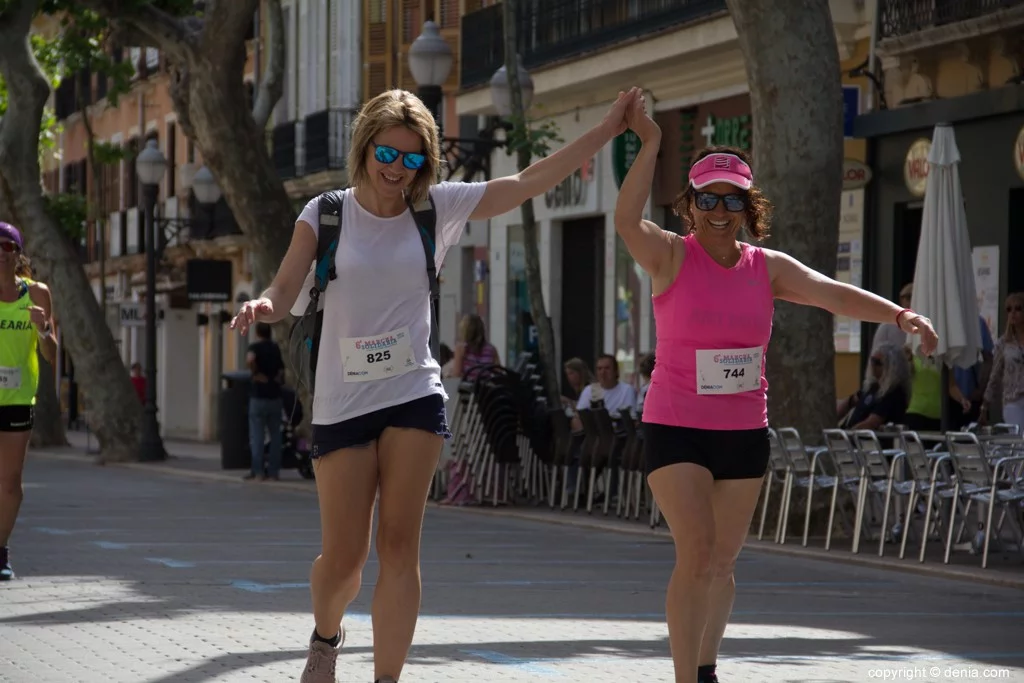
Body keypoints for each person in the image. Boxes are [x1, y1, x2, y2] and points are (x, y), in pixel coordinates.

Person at [230, 86, 638, 683]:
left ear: (427, 162)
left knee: (399, 549)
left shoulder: (436, 209)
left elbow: (525, 182)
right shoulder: (326, 214)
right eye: (388, 155)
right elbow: (286, 289)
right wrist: (261, 306)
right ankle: (326, 635)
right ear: (365, 147)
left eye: (413, 158)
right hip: (342, 401)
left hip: (413, 393)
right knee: (345, 563)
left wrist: (607, 130)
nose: (398, 170)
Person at [612, 94, 938, 683]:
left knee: (724, 562)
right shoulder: (669, 256)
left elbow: (832, 294)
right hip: (675, 426)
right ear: (691, 205)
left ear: (745, 205)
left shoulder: (767, 267)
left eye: (730, 199)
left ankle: (706, 666)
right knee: (697, 552)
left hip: (743, 431)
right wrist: (651, 143)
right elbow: (624, 221)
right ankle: (686, 676)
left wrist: (900, 316)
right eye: (707, 198)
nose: (718, 209)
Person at [0, 223, 57, 581]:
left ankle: (1, 549)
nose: (0, 253)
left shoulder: (37, 295)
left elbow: (51, 354)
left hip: (19, 399)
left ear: (18, 254)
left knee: (9, 483)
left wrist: (42, 329)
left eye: (7, 247)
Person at [837, 343, 911, 430]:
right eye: (872, 360)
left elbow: (872, 423)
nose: (872, 365)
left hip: (868, 440)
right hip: (854, 436)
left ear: (892, 366)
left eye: (878, 363)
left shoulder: (893, 393)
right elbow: (850, 402)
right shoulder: (873, 387)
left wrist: (848, 434)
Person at [245, 322, 285, 481]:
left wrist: (255, 373)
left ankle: (258, 470)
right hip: (275, 396)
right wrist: (275, 381)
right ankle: (274, 471)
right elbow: (281, 371)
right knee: (276, 435)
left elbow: (250, 360)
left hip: (258, 396)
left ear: (257, 333)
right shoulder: (275, 348)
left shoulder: (254, 347)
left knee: (257, 435)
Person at [980, 292, 1024, 431]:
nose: (1013, 313)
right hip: (1013, 400)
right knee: (1019, 439)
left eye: (1018, 308)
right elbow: (995, 375)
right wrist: (985, 405)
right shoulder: (1003, 343)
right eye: (1009, 309)